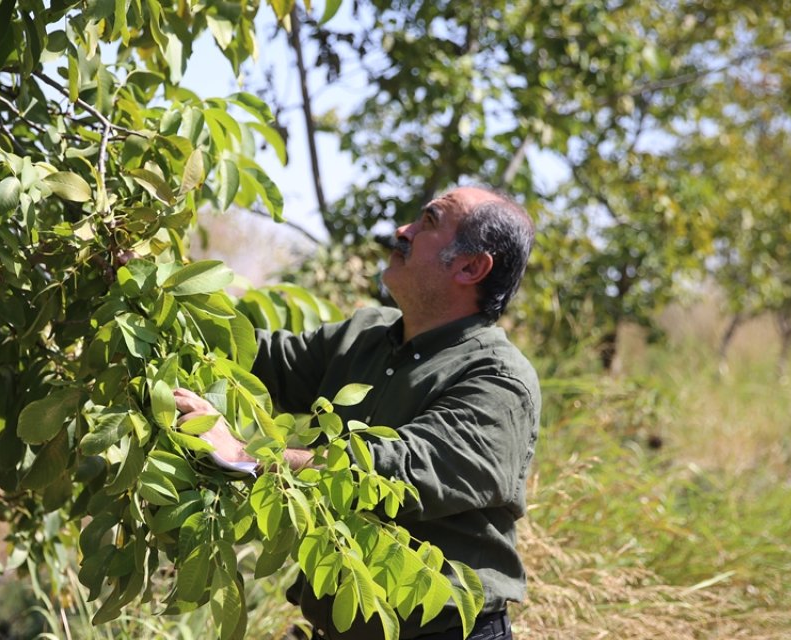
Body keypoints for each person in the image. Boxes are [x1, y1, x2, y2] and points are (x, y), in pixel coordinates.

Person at [174, 186, 540, 640]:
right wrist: (164, 291)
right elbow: (263, 359)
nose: (401, 231)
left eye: (428, 222)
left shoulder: (498, 379)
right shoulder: (367, 334)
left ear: (470, 266)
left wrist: (246, 457)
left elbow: (394, 473)